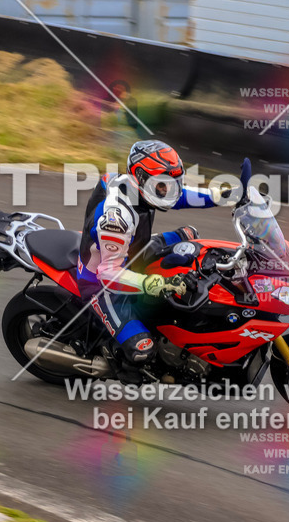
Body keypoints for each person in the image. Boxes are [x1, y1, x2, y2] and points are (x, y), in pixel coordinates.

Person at [77, 140, 226, 369]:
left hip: (133, 252)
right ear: (140, 176)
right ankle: (122, 366)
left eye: (172, 183)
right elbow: (107, 273)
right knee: (142, 350)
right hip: (100, 282)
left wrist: (219, 197)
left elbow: (180, 197)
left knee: (189, 237)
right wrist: (153, 283)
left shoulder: (139, 188)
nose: (169, 190)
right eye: (163, 185)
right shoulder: (117, 219)